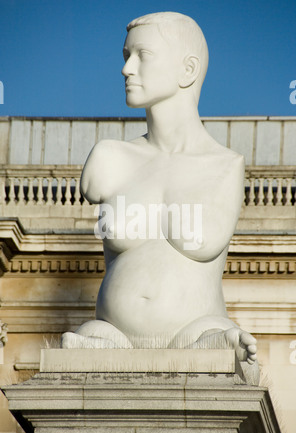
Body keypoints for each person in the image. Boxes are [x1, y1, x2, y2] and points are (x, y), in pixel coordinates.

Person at [61, 12, 258, 374]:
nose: (126, 69)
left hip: (198, 330)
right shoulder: (109, 158)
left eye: (142, 55)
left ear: (188, 70)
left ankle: (218, 344)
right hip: (111, 333)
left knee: (220, 344)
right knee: (84, 346)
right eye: (126, 56)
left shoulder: (226, 166)